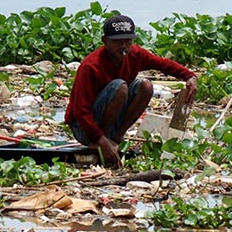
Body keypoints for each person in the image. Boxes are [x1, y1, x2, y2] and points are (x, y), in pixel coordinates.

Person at [64, 14, 197, 168]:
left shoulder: (134, 55)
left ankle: (117, 137)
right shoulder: (91, 66)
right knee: (120, 87)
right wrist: (100, 140)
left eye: (127, 41)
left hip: (109, 121)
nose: (123, 46)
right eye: (117, 42)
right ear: (104, 41)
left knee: (146, 85)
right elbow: (80, 112)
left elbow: (162, 64)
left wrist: (189, 76)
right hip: (83, 128)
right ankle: (105, 140)